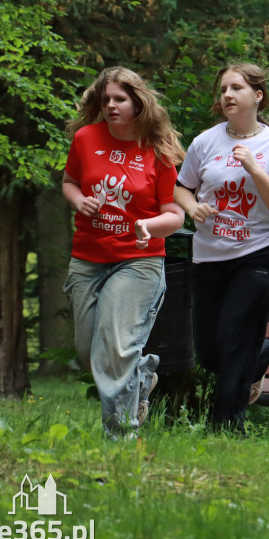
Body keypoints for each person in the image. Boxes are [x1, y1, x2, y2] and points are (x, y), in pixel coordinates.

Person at [174, 63, 269, 433]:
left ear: (257, 96)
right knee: (211, 350)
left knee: (235, 337)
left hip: (260, 252)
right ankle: (261, 354)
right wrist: (191, 206)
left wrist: (256, 170)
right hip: (210, 255)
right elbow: (181, 187)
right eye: (223, 89)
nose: (227, 95)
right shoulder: (205, 142)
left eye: (236, 88)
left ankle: (227, 425)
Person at [62, 66, 186, 437]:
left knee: (115, 349)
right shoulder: (86, 138)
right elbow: (69, 182)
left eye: (120, 99)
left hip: (139, 260)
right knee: (90, 353)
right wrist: (79, 200)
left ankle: (120, 436)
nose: (111, 106)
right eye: (106, 100)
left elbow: (175, 214)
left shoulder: (157, 150)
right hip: (87, 258)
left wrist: (148, 227)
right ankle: (142, 375)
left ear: (138, 102)